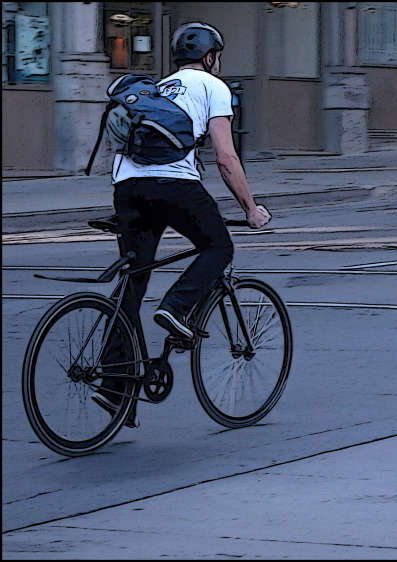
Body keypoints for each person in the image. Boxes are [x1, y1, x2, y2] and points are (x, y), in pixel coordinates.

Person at [92, 22, 270, 427]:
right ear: (210, 57)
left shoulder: (158, 88)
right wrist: (250, 208)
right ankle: (175, 309)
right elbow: (225, 157)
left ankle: (113, 389)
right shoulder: (212, 87)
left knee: (132, 283)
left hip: (126, 188)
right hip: (174, 186)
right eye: (217, 57)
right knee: (218, 247)